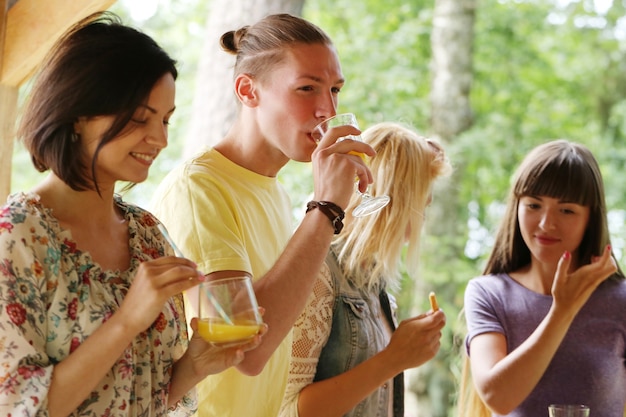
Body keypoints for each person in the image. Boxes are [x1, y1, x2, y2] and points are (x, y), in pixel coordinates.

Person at [0, 12, 262, 417]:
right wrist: (126, 321)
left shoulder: (147, 233)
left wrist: (194, 365)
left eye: (166, 119)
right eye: (140, 118)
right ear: (77, 113)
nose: (160, 138)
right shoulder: (18, 237)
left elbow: (142, 398)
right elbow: (19, 408)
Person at [151, 13, 374, 417]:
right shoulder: (199, 188)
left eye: (336, 90)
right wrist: (326, 209)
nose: (327, 108)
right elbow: (241, 350)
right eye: (307, 88)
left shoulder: (275, 191)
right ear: (247, 91)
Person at [278, 122, 450, 417]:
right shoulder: (319, 270)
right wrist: (394, 359)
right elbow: (287, 408)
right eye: (424, 197)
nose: (427, 208)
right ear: (395, 198)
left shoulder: (376, 284)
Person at [460, 139, 625, 417]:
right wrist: (563, 309)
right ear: (517, 207)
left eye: (567, 210)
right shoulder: (489, 294)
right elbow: (496, 397)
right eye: (534, 205)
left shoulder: (619, 300)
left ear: (590, 219)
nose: (546, 223)